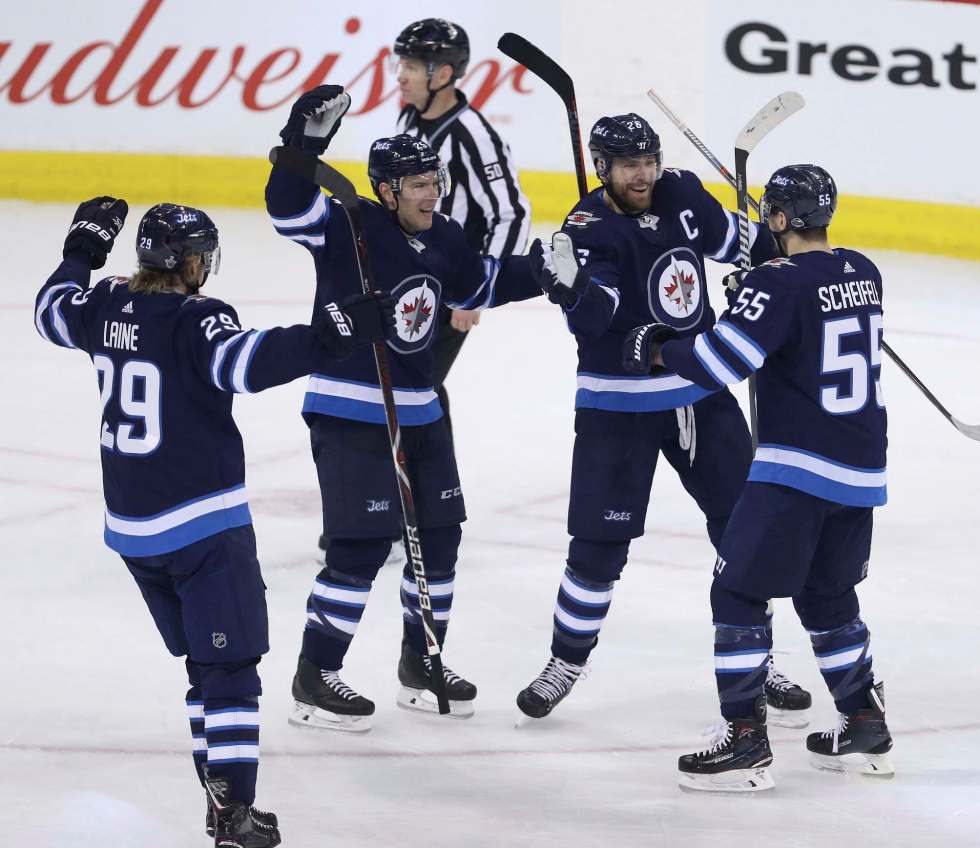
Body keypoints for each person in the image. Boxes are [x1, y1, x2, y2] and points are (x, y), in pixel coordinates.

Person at [34, 197, 390, 844]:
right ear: (186, 262)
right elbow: (245, 363)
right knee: (229, 669)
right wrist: (331, 334)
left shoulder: (105, 304)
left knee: (206, 663)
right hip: (200, 525)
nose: (205, 265)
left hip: (132, 529)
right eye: (200, 255)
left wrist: (82, 250)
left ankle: (218, 798)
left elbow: (49, 309)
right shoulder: (195, 318)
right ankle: (233, 811)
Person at [516, 113, 812, 725]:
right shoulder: (586, 229)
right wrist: (572, 289)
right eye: (630, 165)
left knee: (744, 529)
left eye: (649, 161)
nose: (643, 175)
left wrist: (767, 269)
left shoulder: (681, 193)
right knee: (598, 546)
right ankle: (565, 662)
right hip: (618, 405)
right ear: (603, 168)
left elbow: (751, 244)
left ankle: (757, 660)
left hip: (699, 392)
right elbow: (596, 321)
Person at [265, 85, 541, 731]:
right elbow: (287, 207)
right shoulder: (348, 225)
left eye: (434, 181)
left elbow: (481, 284)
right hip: (349, 407)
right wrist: (303, 143)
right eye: (417, 184)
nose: (431, 194)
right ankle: (316, 675)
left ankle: (423, 661)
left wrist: (549, 270)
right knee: (360, 545)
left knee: (441, 538)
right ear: (387, 191)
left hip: (420, 407)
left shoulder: (444, 235)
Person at [621, 164, 892, 791]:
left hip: (796, 468)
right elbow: (805, 320)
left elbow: (724, 361)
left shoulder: (778, 282)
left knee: (737, 592)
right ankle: (864, 723)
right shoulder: (864, 271)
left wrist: (659, 348)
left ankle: (745, 742)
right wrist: (756, 294)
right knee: (827, 596)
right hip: (861, 467)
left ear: (779, 218)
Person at [394, 18, 531, 428]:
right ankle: (429, 467)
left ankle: (431, 468)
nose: (400, 76)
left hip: (452, 286)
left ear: (443, 74)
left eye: (411, 66)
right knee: (409, 384)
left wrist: (479, 290)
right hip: (411, 278)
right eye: (401, 64)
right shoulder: (408, 120)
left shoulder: (474, 135)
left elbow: (511, 214)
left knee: (414, 387)